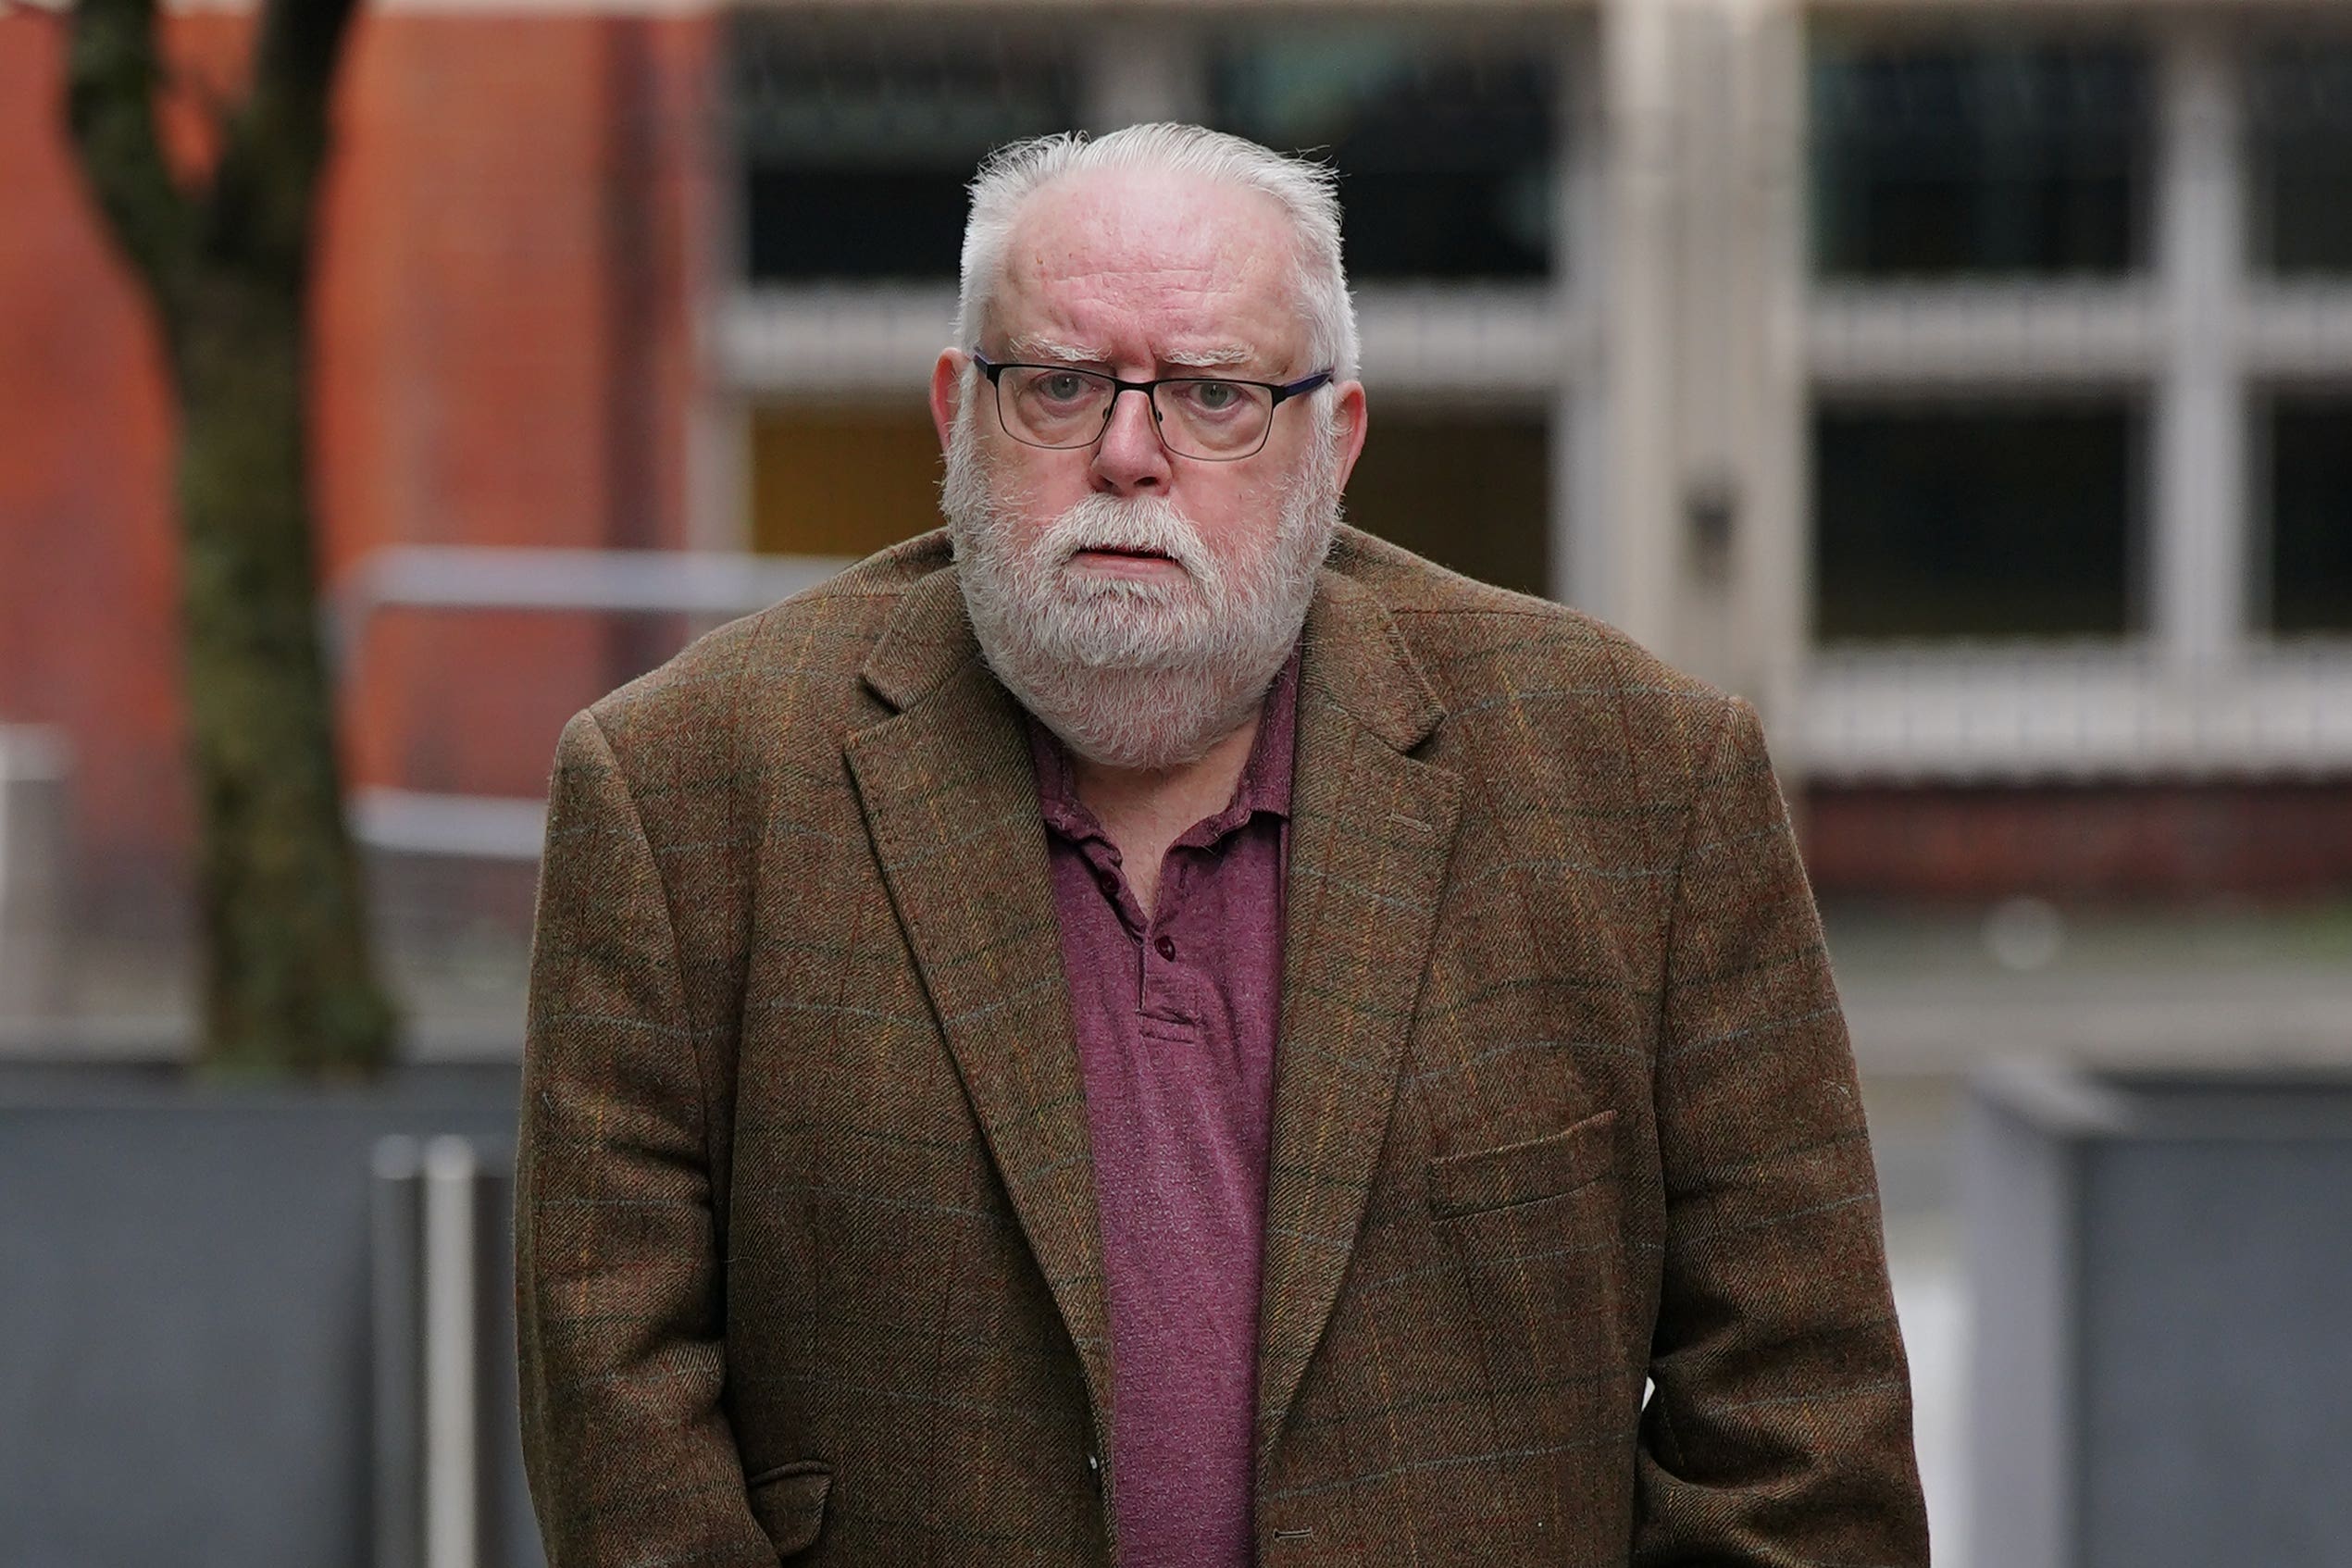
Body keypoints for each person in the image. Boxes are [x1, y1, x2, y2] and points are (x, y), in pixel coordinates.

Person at [516, 124, 1927, 1568]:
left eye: (1214, 394)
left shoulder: (1639, 778)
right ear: (955, 413)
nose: (1130, 455)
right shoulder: (682, 788)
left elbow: (1798, 1436)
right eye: (1058, 385)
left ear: (1335, 437)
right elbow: (619, 1415)